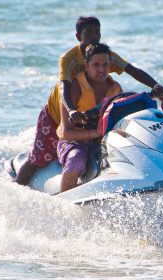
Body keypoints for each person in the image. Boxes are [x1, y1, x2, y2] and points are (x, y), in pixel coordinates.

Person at [15, 16, 163, 186]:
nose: (94, 36)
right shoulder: (69, 60)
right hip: (58, 111)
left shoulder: (110, 74)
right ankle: (17, 186)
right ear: (78, 37)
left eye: (97, 31)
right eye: (89, 32)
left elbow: (133, 71)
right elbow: (64, 88)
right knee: (40, 158)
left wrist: (155, 86)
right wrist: (72, 110)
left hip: (88, 116)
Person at [57, 43, 122, 192]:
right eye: (96, 65)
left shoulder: (116, 88)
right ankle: (65, 202)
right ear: (86, 65)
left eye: (105, 65)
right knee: (76, 159)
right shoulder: (74, 88)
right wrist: (95, 133)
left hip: (104, 142)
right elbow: (67, 132)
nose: (101, 69)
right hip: (74, 143)